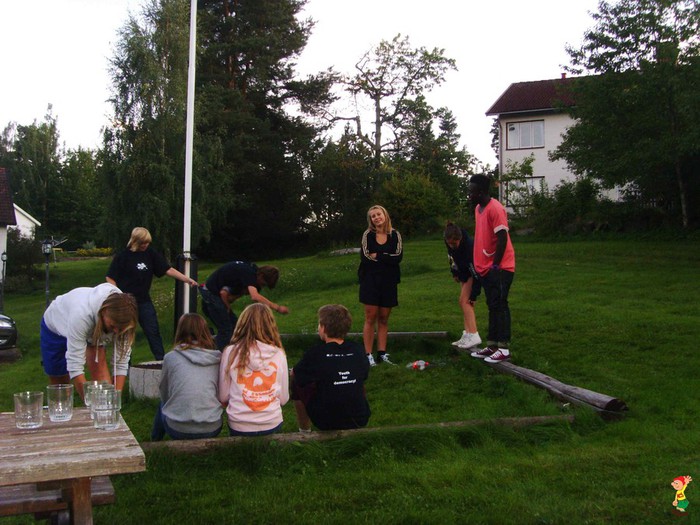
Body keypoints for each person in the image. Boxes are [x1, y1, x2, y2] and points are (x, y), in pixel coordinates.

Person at [106, 227, 198, 361]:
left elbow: (167, 269)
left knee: (153, 331)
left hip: (144, 301)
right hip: (126, 303)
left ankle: (161, 361)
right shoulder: (123, 257)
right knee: (125, 334)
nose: (145, 245)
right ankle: (125, 365)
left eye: (147, 242)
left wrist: (187, 279)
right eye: (143, 242)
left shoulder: (150, 254)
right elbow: (110, 277)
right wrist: (117, 296)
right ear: (135, 241)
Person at [40, 283, 138, 401]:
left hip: (93, 327)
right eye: (113, 326)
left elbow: (121, 363)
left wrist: (115, 400)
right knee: (60, 384)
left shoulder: (125, 318)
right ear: (104, 312)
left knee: (99, 369)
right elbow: (75, 365)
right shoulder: (81, 314)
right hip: (55, 326)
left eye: (120, 329)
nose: (116, 331)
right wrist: (90, 403)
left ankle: (106, 404)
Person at [291, 304, 371, 432]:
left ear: (323, 328)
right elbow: (364, 374)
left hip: (326, 421)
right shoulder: (358, 349)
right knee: (358, 381)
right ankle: (354, 407)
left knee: (296, 381)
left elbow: (296, 374)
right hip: (360, 418)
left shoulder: (316, 353)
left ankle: (304, 430)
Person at [218, 303, 289, 436]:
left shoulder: (230, 352)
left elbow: (223, 395)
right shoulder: (279, 353)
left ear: (242, 324)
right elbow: (284, 399)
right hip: (271, 421)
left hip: (239, 423)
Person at [467, 174, 516, 363]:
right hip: (485, 267)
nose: (469, 195)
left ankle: (503, 348)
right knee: (492, 305)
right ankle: (492, 345)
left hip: (500, 267)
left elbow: (502, 237)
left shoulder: (495, 208)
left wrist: (495, 265)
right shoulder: (478, 209)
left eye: (472, 192)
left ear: (481, 192)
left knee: (500, 304)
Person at [151, 313, 223, 441]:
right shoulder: (217, 358)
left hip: (177, 429)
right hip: (212, 427)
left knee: (162, 405)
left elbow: (164, 391)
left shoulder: (171, 357)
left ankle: (155, 441)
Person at [200, 261, 289, 350]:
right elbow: (254, 296)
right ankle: (222, 353)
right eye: (263, 284)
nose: (261, 286)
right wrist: (277, 308)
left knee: (236, 326)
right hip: (211, 293)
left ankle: (233, 350)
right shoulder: (249, 274)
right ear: (261, 275)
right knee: (226, 329)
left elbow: (229, 295)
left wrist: (229, 306)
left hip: (214, 293)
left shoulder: (244, 277)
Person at [358, 205, 403, 366]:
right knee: (370, 318)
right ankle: (368, 355)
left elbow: (398, 257)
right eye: (373, 216)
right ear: (370, 220)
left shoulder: (395, 235)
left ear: (385, 215)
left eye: (379, 214)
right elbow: (365, 258)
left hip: (389, 281)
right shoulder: (368, 235)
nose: (377, 218)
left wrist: (379, 255)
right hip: (370, 281)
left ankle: (382, 354)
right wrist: (387, 258)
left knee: (383, 318)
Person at [444, 222, 482, 350]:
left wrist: (474, 294)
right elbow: (450, 255)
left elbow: (476, 272)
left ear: (460, 239)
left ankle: (474, 335)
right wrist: (454, 272)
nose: (452, 246)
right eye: (449, 243)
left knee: (465, 301)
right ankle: (467, 334)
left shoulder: (469, 247)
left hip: (473, 272)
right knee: (464, 303)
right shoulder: (448, 241)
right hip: (462, 271)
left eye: (454, 244)